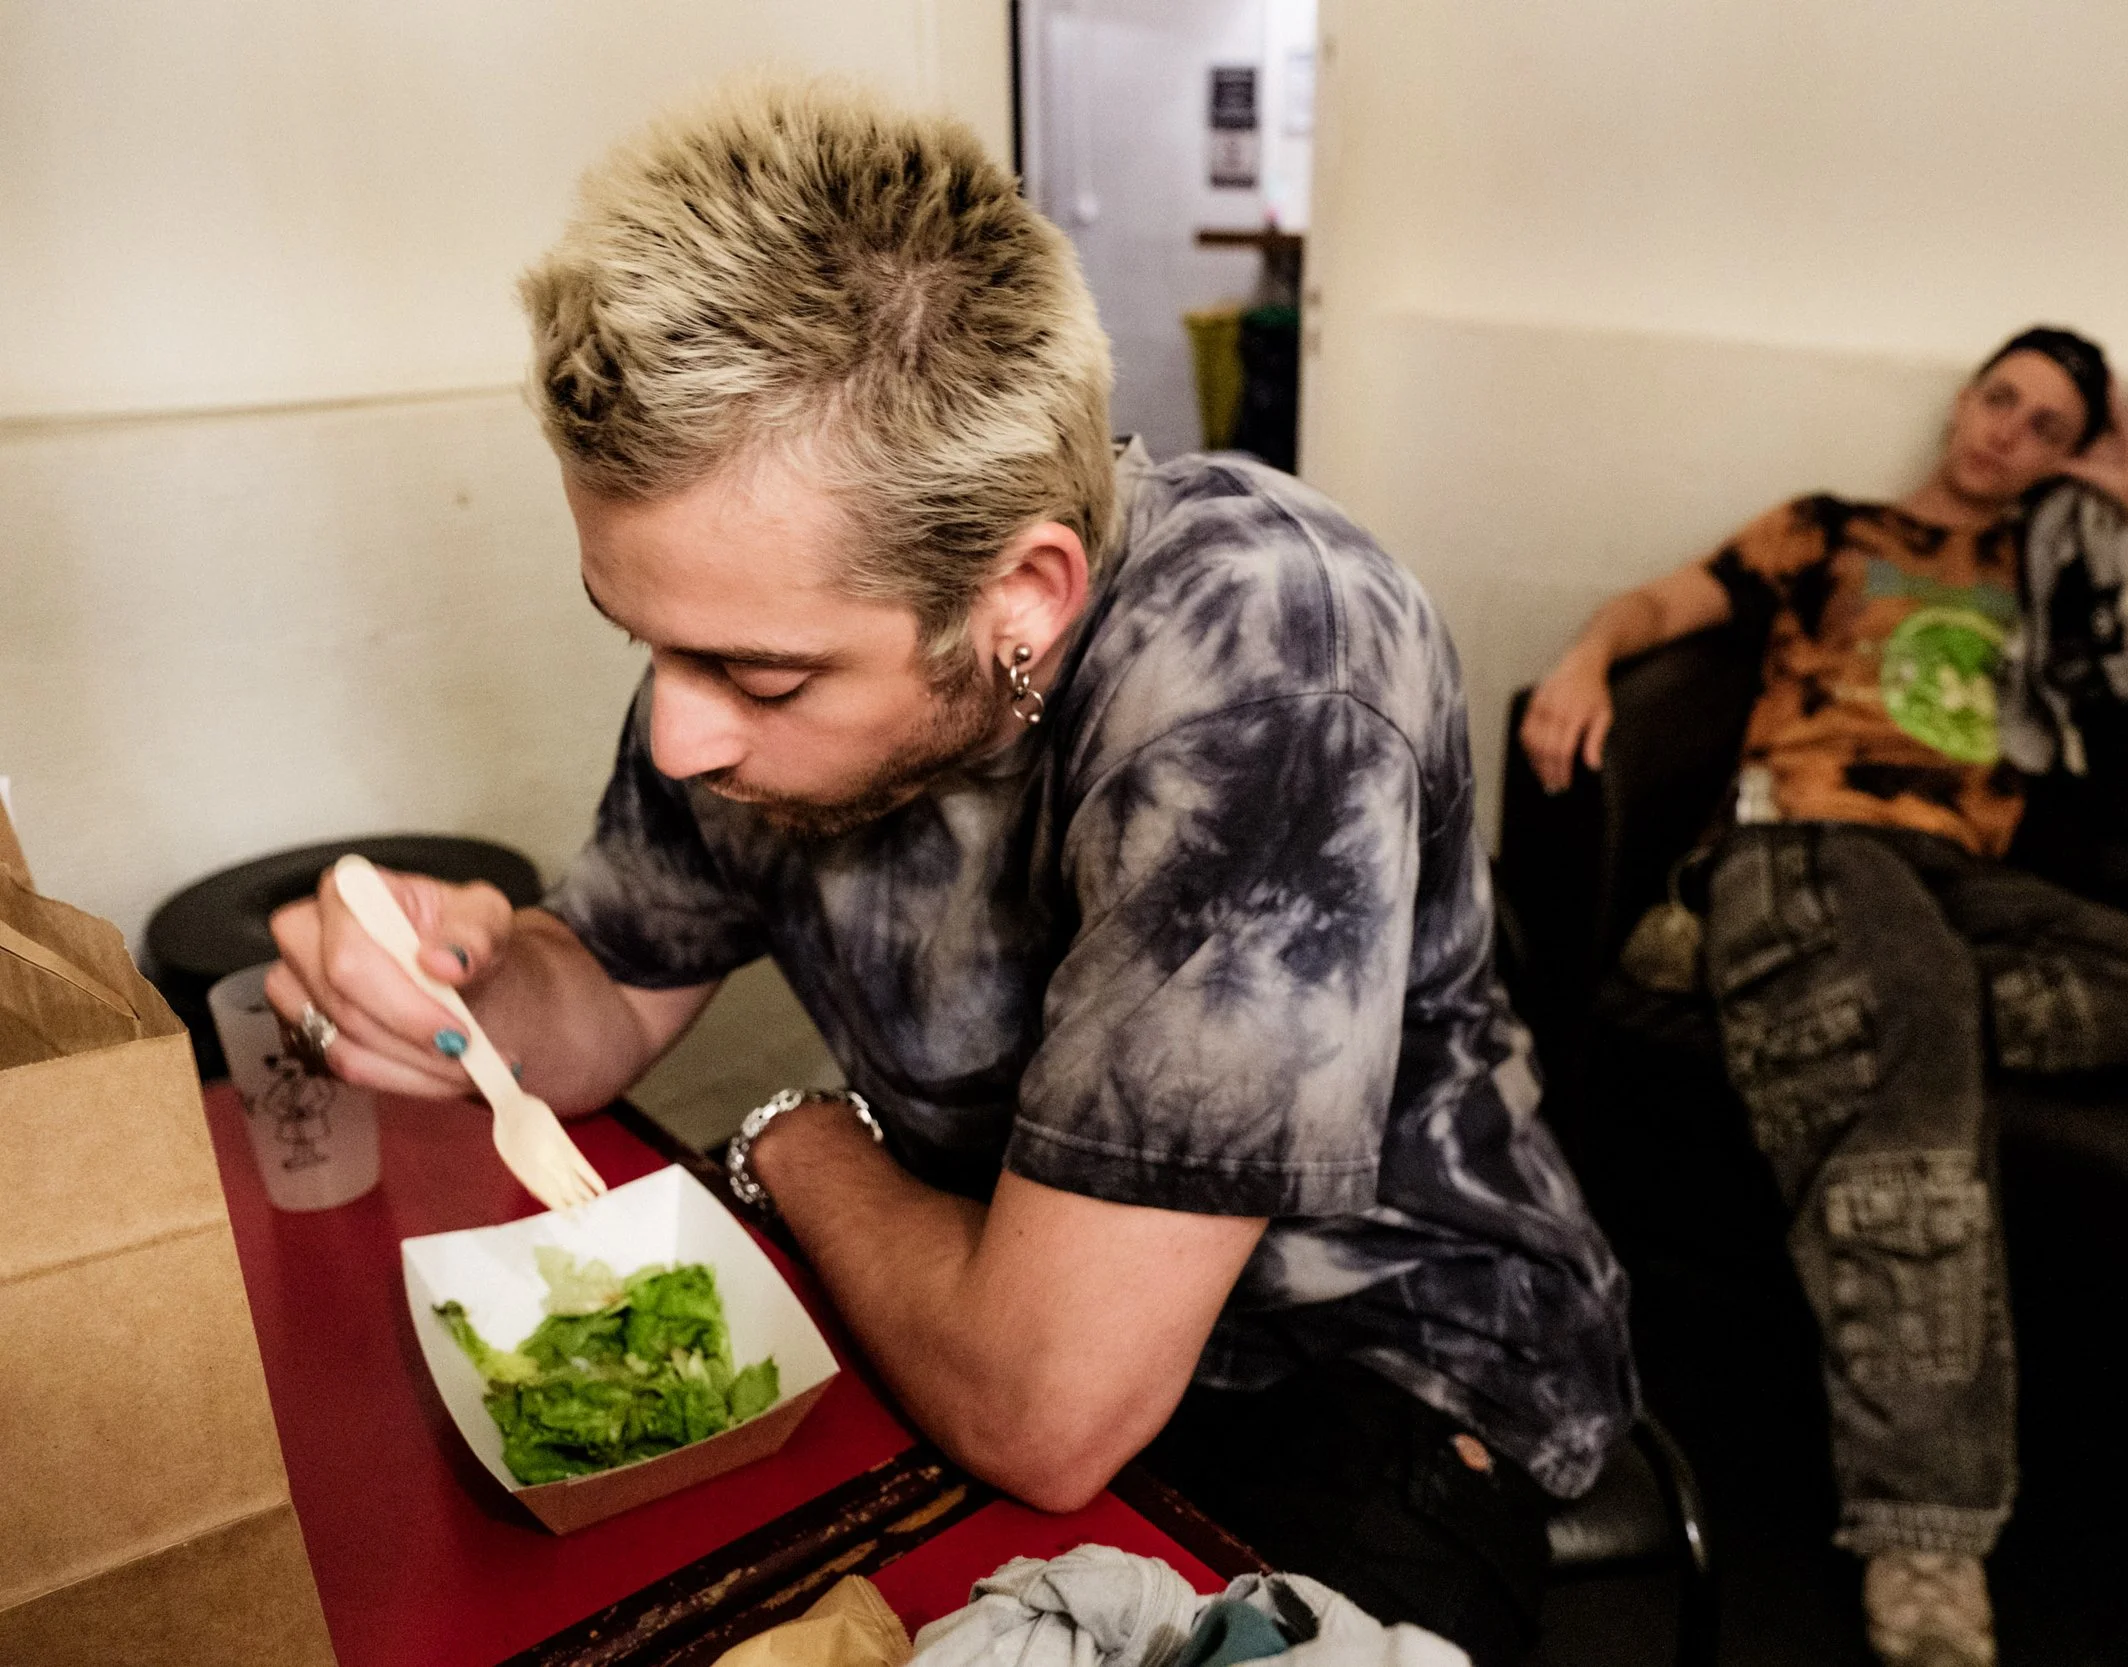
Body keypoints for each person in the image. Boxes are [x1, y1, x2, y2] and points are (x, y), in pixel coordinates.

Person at [266, 80, 1634, 1665]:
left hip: (1378, 1357)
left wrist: (791, 1137)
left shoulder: (1264, 655)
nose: (679, 732)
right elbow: (601, 1005)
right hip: (988, 1293)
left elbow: (1049, 1410)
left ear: (1025, 600)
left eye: (758, 677)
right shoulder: (746, 652)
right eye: (642, 642)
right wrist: (460, 979)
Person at [1518, 327, 2128, 1667]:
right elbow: (1657, 608)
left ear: (2069, 454)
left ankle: (1741, 972)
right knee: (1913, 1057)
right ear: (1964, 398)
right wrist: (1587, 659)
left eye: (2047, 427)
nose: (2007, 432)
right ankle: (1924, 1534)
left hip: (1947, 884)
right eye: (2001, 398)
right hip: (1803, 839)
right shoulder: (1830, 527)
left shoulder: (2052, 572)